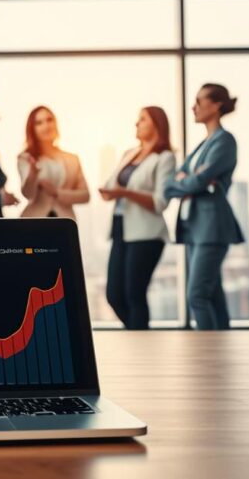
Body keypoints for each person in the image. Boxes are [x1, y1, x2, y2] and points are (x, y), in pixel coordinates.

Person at [165, 83, 244, 330]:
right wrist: (191, 181)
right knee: (212, 294)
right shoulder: (203, 145)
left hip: (211, 227)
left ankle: (207, 353)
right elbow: (172, 184)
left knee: (196, 295)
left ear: (217, 105)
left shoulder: (225, 141)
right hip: (193, 226)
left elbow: (196, 180)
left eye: (200, 101)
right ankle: (221, 350)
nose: (194, 107)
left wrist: (190, 181)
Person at [99, 107, 176, 330]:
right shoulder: (129, 154)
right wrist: (109, 191)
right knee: (114, 294)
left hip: (147, 233)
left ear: (157, 124)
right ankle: (137, 335)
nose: (136, 123)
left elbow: (161, 202)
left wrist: (124, 193)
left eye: (142, 119)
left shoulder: (165, 158)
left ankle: (139, 343)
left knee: (134, 294)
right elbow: (112, 184)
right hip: (120, 229)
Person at [18, 106, 90, 219]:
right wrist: (33, 174)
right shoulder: (25, 158)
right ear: (32, 129)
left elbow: (85, 196)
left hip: (65, 221)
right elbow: (28, 194)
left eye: (49, 120)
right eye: (39, 123)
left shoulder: (72, 159)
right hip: (34, 222)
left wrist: (56, 192)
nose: (46, 126)